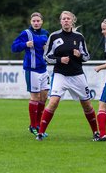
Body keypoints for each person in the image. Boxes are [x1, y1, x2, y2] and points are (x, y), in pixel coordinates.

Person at [36, 11, 99, 141]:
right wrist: (59, 60)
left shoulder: (79, 37)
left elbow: (87, 56)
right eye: (63, 19)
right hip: (60, 75)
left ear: (72, 21)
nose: (66, 21)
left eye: (68, 19)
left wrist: (79, 55)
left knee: (87, 105)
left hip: (77, 75)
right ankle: (40, 133)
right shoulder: (54, 36)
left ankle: (96, 132)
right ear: (60, 21)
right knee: (53, 102)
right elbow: (46, 56)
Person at [11, 12, 50, 136]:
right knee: (35, 97)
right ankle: (33, 126)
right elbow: (14, 47)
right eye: (34, 21)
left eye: (38, 21)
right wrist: (25, 44)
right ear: (31, 22)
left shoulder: (45, 33)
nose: (36, 23)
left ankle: (38, 125)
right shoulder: (26, 33)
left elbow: (49, 49)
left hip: (43, 69)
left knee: (44, 97)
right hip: (31, 69)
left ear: (42, 22)